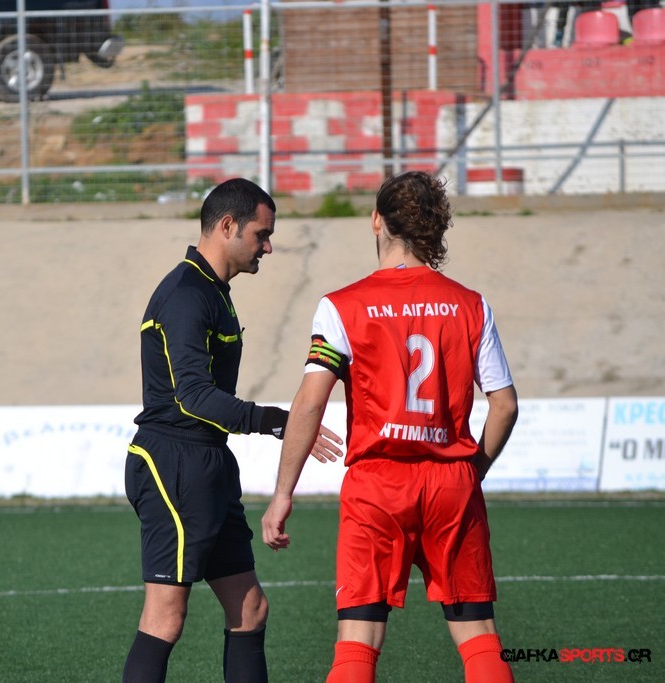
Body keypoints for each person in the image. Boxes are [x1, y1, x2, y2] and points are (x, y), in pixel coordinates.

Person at [261, 171, 519, 683]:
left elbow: (311, 403)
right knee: (479, 639)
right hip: (451, 484)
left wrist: (282, 493)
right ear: (433, 228)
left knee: (357, 642)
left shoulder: (341, 305)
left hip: (377, 485)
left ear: (376, 220)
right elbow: (505, 406)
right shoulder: (471, 304)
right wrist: (472, 472)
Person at [122, 178, 344, 683]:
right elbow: (193, 397)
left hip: (208, 461)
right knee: (166, 616)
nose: (268, 247)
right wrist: (278, 421)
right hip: (173, 464)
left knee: (250, 610)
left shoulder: (212, 291)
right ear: (227, 226)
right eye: (261, 234)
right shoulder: (185, 294)